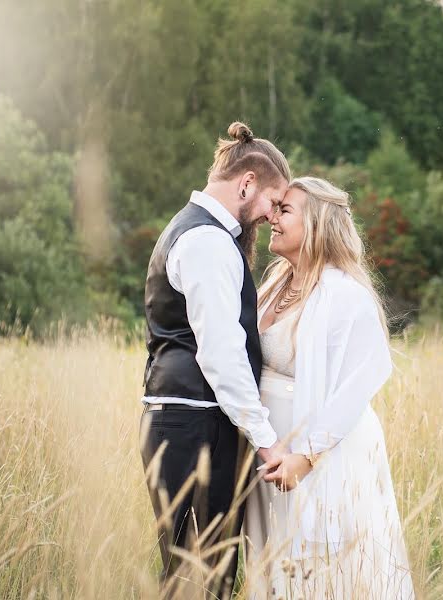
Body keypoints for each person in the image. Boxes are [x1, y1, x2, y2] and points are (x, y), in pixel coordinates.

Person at [243, 177, 415, 599]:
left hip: (322, 457)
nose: (272, 219)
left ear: (317, 225)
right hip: (271, 455)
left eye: (285, 211)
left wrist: (307, 455)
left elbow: (362, 382)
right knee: (276, 569)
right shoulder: (272, 287)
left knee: (327, 572)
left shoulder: (345, 294)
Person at [139, 122, 292, 598]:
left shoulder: (192, 229)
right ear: (246, 183)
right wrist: (267, 442)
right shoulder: (207, 242)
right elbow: (222, 357)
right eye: (272, 201)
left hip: (184, 422)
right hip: (196, 427)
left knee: (197, 573)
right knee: (203, 578)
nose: (271, 215)